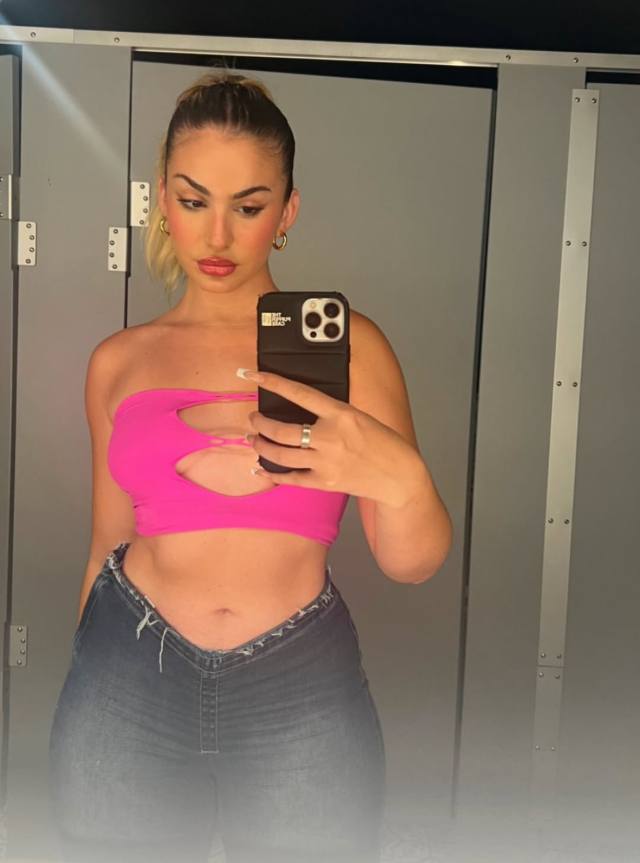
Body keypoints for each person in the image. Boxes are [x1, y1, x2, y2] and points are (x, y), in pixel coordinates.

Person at [48, 70, 452, 863]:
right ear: (163, 198)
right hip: (127, 670)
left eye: (248, 206)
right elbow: (105, 543)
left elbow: (411, 562)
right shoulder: (117, 363)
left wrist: (398, 474)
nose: (217, 236)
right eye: (194, 200)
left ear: (287, 211)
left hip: (298, 680)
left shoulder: (352, 349)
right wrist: (90, 668)